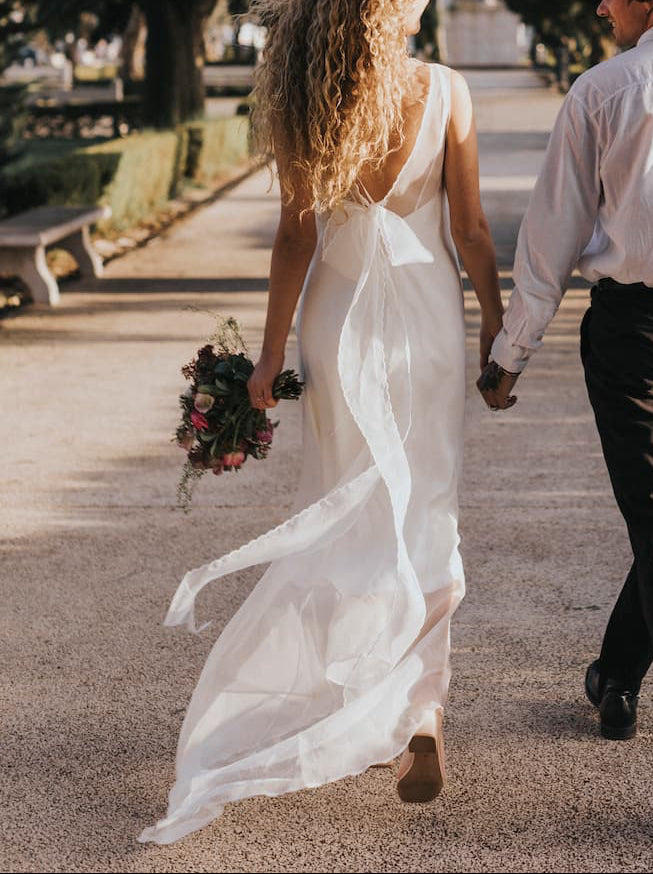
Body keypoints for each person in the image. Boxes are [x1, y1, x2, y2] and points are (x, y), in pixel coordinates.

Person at [139, 0, 502, 845]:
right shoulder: (446, 91)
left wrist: (268, 360)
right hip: (427, 323)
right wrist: (497, 328)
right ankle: (419, 709)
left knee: (347, 499)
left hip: (339, 321)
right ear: (393, 14)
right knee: (427, 504)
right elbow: (472, 229)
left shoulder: (315, 100)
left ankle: (367, 695)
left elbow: (294, 239)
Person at [477, 2, 653, 740]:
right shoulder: (604, 88)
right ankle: (616, 674)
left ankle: (617, 671)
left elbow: (551, 230)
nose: (596, 6)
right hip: (635, 329)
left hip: (633, 331)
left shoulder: (605, 89)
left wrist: (507, 355)